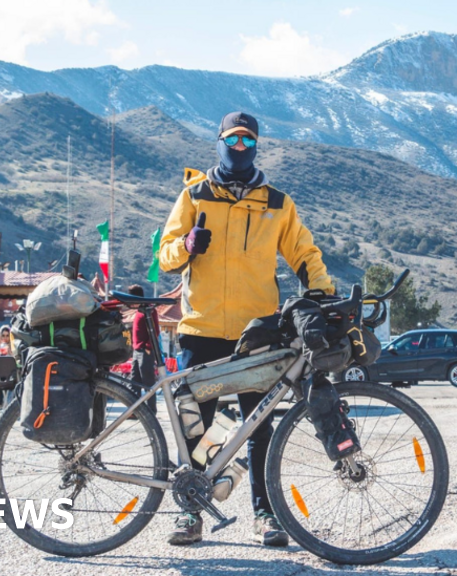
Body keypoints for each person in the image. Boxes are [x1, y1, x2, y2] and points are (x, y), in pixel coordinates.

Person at [159, 111, 334, 547]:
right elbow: (163, 257)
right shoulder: (194, 195)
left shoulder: (277, 203)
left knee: (258, 429)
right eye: (233, 139)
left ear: (257, 146)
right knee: (194, 426)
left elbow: (303, 253)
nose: (240, 148)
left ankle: (265, 516)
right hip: (201, 330)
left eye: (248, 141)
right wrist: (186, 245)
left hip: (257, 333)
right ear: (218, 141)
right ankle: (190, 515)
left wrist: (322, 292)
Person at [128, 284, 159, 413]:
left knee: (148, 383)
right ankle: (134, 411)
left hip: (145, 351)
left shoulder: (149, 310)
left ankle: (151, 411)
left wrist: (148, 347)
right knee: (134, 382)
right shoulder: (139, 311)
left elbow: (155, 330)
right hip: (137, 351)